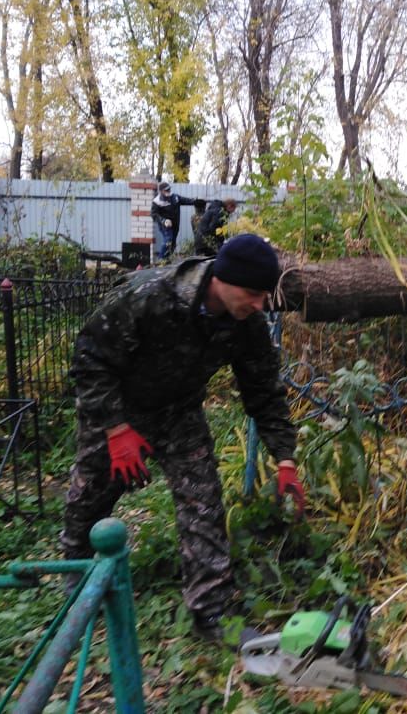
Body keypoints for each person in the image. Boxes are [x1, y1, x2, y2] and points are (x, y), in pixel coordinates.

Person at [61, 233, 305, 643]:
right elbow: (89, 358)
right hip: (117, 407)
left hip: (179, 413)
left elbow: (263, 392)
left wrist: (284, 458)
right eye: (253, 293)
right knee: (92, 495)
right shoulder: (150, 296)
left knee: (203, 502)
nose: (261, 304)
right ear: (222, 280)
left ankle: (211, 611)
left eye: (266, 295)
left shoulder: (247, 325)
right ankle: (77, 571)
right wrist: (117, 429)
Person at [150, 181, 197, 259]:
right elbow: (154, 214)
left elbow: (185, 200)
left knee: (173, 244)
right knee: (168, 240)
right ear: (161, 191)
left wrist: (195, 201)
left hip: (175, 224)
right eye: (166, 190)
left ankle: (168, 259)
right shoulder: (157, 201)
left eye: (169, 189)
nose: (168, 191)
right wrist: (164, 220)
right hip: (165, 225)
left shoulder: (175, 197)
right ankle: (161, 260)